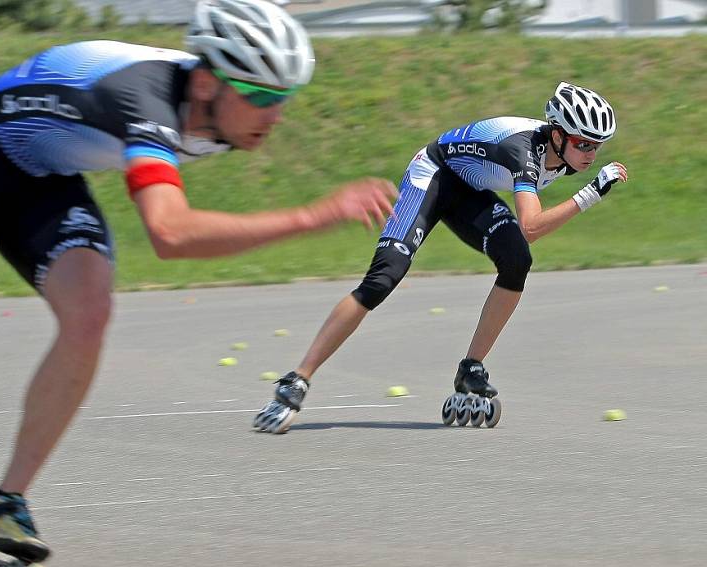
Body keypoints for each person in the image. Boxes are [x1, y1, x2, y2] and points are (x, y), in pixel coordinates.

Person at [0, 0, 396, 567]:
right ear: (210, 82)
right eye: (262, 96)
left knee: (89, 313)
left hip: (41, 178)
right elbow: (170, 232)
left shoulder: (208, 107)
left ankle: (6, 503)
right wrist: (315, 215)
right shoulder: (145, 98)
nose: (276, 114)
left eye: (284, 98)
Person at [254, 82, 628, 434]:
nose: (590, 156)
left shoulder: (561, 153)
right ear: (557, 134)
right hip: (432, 174)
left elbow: (524, 233)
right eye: (583, 145)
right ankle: (298, 378)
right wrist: (591, 194)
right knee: (383, 278)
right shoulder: (524, 151)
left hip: (469, 188)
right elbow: (530, 225)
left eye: (597, 147)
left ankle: (471, 368)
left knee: (517, 261)